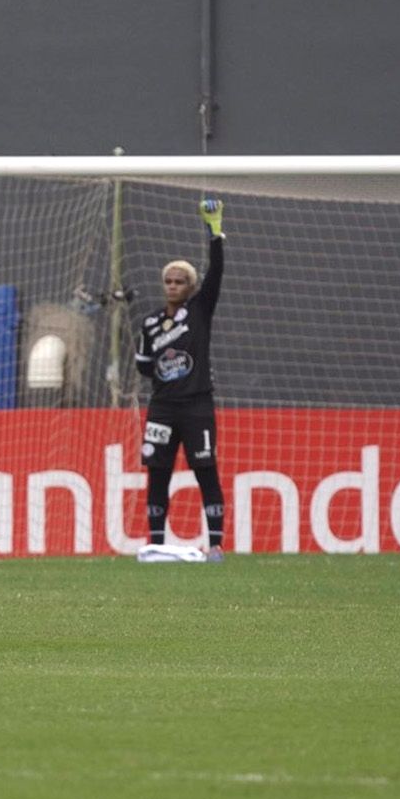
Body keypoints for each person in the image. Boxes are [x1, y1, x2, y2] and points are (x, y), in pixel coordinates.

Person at [134, 199, 228, 561]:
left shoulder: (199, 310)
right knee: (158, 473)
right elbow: (144, 366)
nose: (173, 286)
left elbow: (215, 273)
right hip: (162, 408)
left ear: (190, 286)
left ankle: (215, 544)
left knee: (205, 470)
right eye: (168, 281)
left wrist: (214, 232)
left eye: (180, 282)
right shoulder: (150, 323)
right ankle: (156, 542)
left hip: (196, 406)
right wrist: (167, 369)